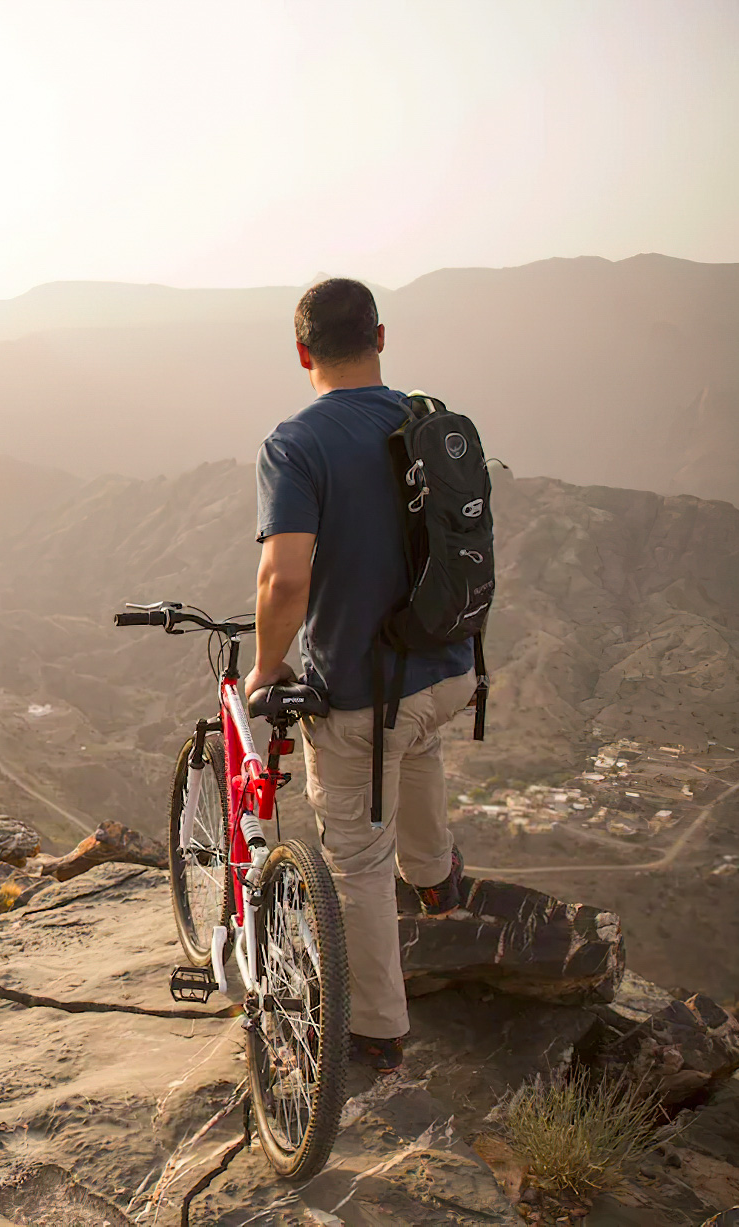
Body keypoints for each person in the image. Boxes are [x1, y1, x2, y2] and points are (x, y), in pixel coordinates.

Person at [244, 278, 477, 1075]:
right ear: (381, 335)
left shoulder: (296, 442)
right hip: (450, 668)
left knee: (356, 863)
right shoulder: (422, 418)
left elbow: (284, 579)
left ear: (302, 352)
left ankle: (375, 1030)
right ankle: (438, 879)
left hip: (364, 692)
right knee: (415, 749)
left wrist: (266, 670)